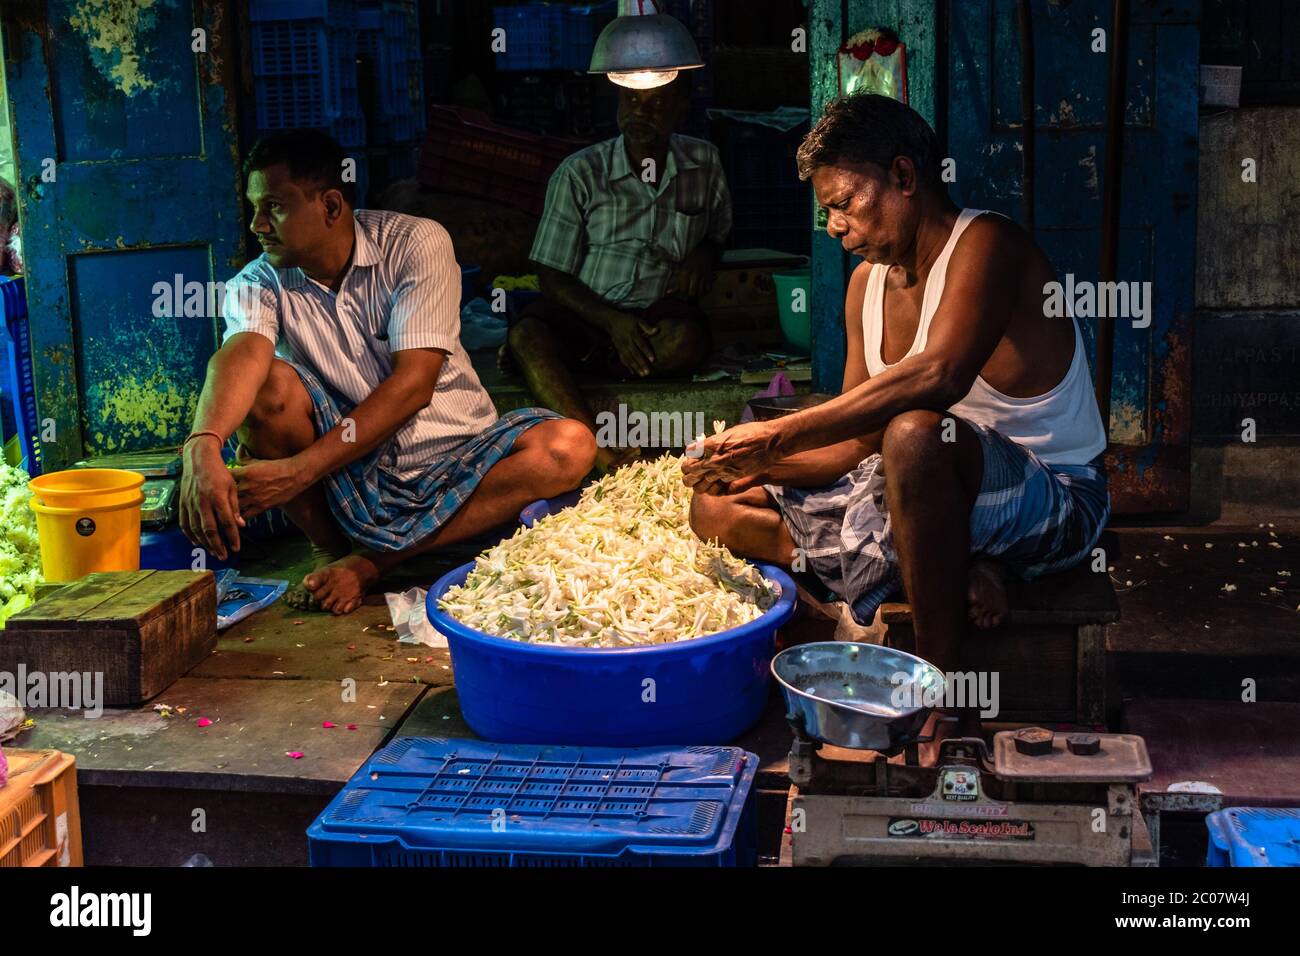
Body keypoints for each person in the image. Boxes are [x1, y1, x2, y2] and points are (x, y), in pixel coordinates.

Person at [682, 94, 1109, 758]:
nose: (834, 226)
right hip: (918, 488)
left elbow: (937, 376)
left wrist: (776, 435)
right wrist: (748, 464)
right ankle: (943, 563)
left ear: (905, 177)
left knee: (915, 433)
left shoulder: (988, 244)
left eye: (846, 203)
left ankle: (940, 692)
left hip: (1052, 497)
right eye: (826, 210)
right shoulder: (865, 286)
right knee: (714, 505)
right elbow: (853, 444)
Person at [179, 130, 595, 615]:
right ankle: (333, 554)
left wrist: (298, 471)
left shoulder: (414, 242)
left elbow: (414, 384)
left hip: (459, 459)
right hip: (356, 476)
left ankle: (369, 562)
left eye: (274, 206)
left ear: (332, 206)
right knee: (267, 387)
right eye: (254, 207)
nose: (257, 223)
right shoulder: (258, 281)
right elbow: (242, 354)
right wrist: (202, 443)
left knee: (571, 445)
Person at [504, 76, 731, 473]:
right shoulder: (579, 173)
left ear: (681, 106)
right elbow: (550, 275)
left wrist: (706, 251)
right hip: (586, 314)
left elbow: (721, 232)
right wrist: (612, 322)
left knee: (688, 341)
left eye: (657, 102)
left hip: (655, 319)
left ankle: (588, 366)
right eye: (631, 99)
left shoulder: (704, 162)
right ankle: (598, 451)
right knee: (527, 337)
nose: (640, 112)